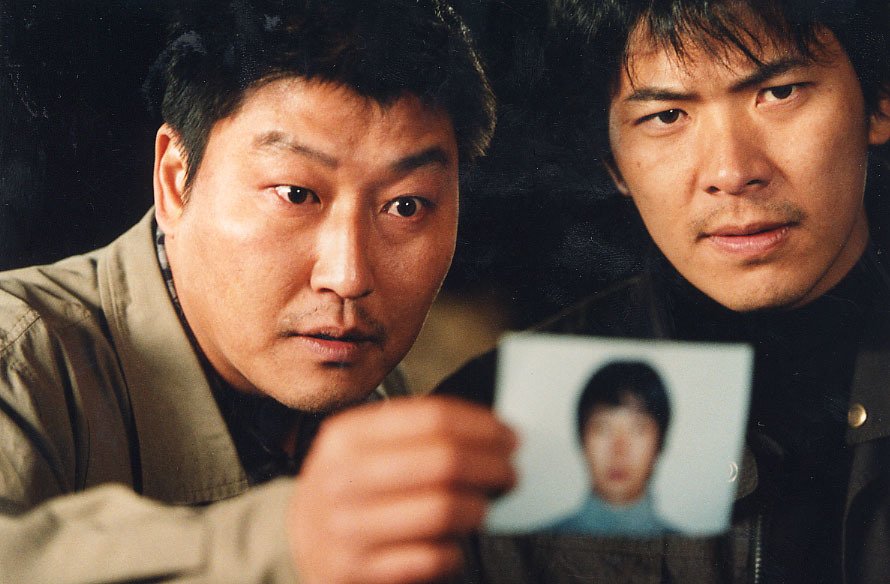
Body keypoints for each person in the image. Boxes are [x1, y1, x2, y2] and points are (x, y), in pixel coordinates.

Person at [0, 2, 518, 583]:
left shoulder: (386, 399)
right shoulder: (21, 359)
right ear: (175, 180)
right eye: (296, 194)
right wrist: (286, 542)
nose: (348, 276)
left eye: (406, 205)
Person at [437, 0, 890, 582]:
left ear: (878, 103)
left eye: (779, 93)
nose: (731, 172)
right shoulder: (495, 426)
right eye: (667, 116)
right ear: (612, 163)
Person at [550, 361, 672, 536]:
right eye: (603, 428)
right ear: (582, 440)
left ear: (659, 444)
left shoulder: (693, 548)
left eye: (637, 429)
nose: (619, 450)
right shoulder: (531, 545)